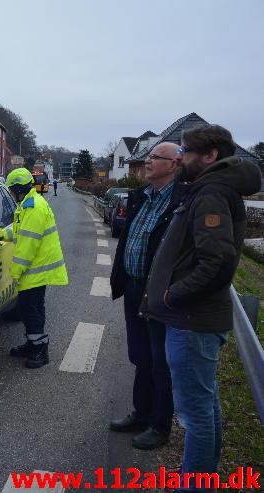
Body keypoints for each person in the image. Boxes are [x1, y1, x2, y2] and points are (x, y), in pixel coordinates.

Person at [142, 124, 261, 491]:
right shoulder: (207, 189)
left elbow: (218, 262)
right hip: (193, 319)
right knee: (204, 405)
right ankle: (201, 474)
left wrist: (172, 296)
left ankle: (194, 484)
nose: (179, 157)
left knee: (195, 413)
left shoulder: (210, 193)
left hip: (191, 321)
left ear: (209, 156)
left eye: (186, 151)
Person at [108, 142, 183, 450]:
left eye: (155, 158)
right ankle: (141, 413)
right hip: (133, 287)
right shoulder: (142, 197)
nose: (147, 162)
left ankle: (159, 424)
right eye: (149, 156)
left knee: (160, 361)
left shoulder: (181, 200)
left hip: (159, 293)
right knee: (139, 355)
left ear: (174, 165)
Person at [3, 167, 69, 368]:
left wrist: (15, 272)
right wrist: (1, 235)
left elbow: (27, 245)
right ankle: (33, 343)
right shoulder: (29, 204)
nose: (12, 195)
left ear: (18, 189)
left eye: (12, 191)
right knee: (33, 308)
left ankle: (40, 349)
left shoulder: (32, 208)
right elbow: (20, 233)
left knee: (29, 309)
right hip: (37, 269)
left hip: (36, 270)